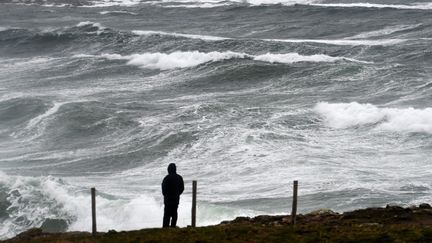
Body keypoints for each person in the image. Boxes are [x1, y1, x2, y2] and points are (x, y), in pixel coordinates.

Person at [162, 163, 184, 228]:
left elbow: (163, 190)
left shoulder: (166, 178)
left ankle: (165, 228)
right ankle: (173, 226)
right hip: (176, 199)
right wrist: (177, 194)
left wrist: (166, 196)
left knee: (167, 215)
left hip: (168, 200)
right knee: (174, 213)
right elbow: (182, 188)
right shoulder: (179, 178)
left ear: (169, 169)